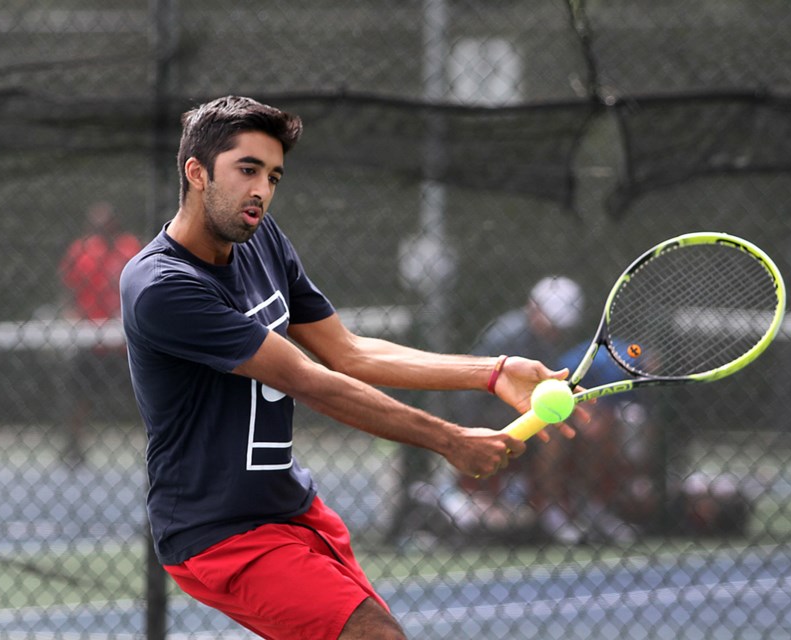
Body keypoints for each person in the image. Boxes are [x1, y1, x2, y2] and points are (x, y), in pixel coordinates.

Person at [118, 95, 574, 640]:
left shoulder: (262, 239)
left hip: (292, 507)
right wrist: (448, 438)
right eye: (247, 170)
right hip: (217, 531)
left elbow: (350, 352)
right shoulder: (162, 288)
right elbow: (311, 380)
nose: (262, 190)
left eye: (273, 176)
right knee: (377, 635)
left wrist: (493, 371)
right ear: (197, 172)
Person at [450, 276, 598, 544]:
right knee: (554, 428)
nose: (556, 331)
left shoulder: (548, 337)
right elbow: (483, 394)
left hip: (512, 404)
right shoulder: (511, 336)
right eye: (552, 323)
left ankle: (582, 504)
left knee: (585, 425)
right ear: (534, 308)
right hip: (485, 410)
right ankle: (550, 509)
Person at [57, 201, 142, 467]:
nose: (100, 229)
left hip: (124, 341)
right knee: (79, 395)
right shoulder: (80, 251)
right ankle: (74, 447)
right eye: (95, 224)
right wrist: (72, 317)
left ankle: (158, 444)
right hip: (91, 339)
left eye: (105, 224)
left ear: (115, 224)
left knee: (146, 394)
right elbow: (68, 291)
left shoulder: (130, 248)